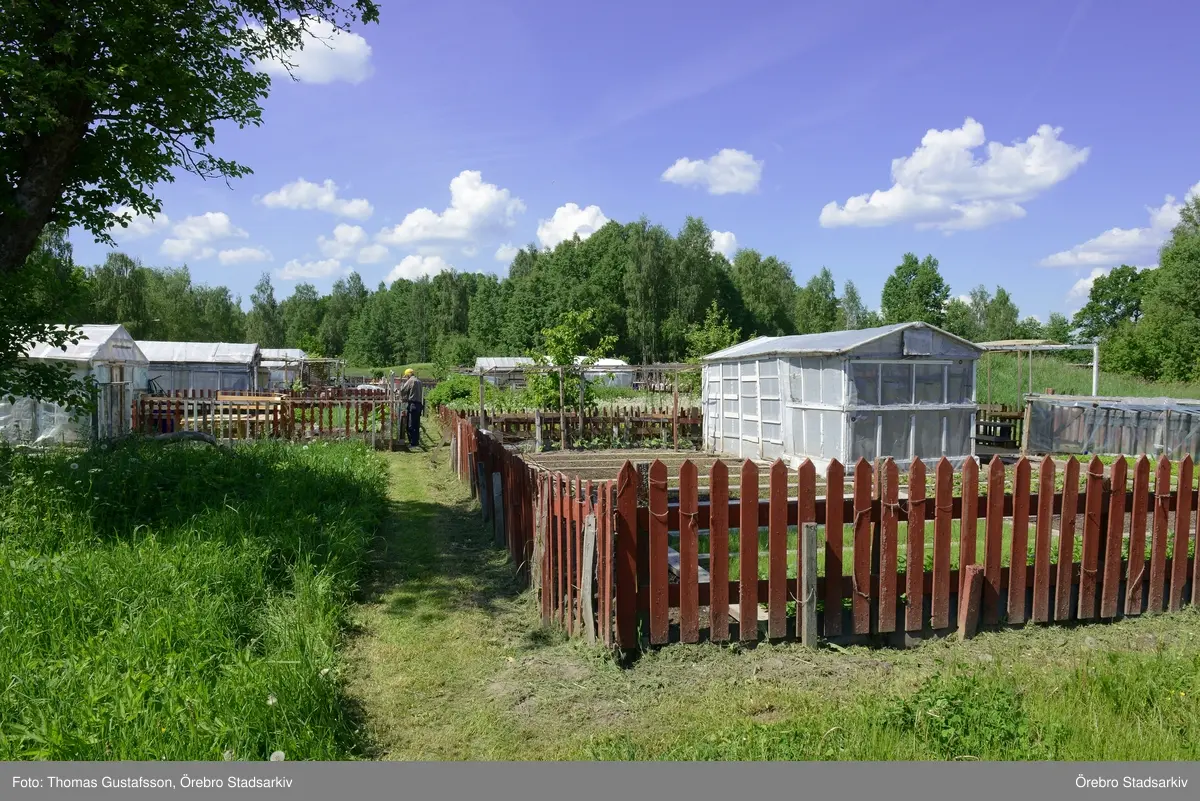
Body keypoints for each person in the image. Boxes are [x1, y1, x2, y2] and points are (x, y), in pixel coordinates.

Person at [398, 368, 424, 448]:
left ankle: (412, 443)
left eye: (406, 376)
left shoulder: (410, 381)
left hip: (413, 404)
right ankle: (416, 442)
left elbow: (403, 391)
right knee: (416, 424)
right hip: (419, 405)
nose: (406, 378)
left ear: (408, 375)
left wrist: (398, 392)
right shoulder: (419, 381)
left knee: (410, 425)